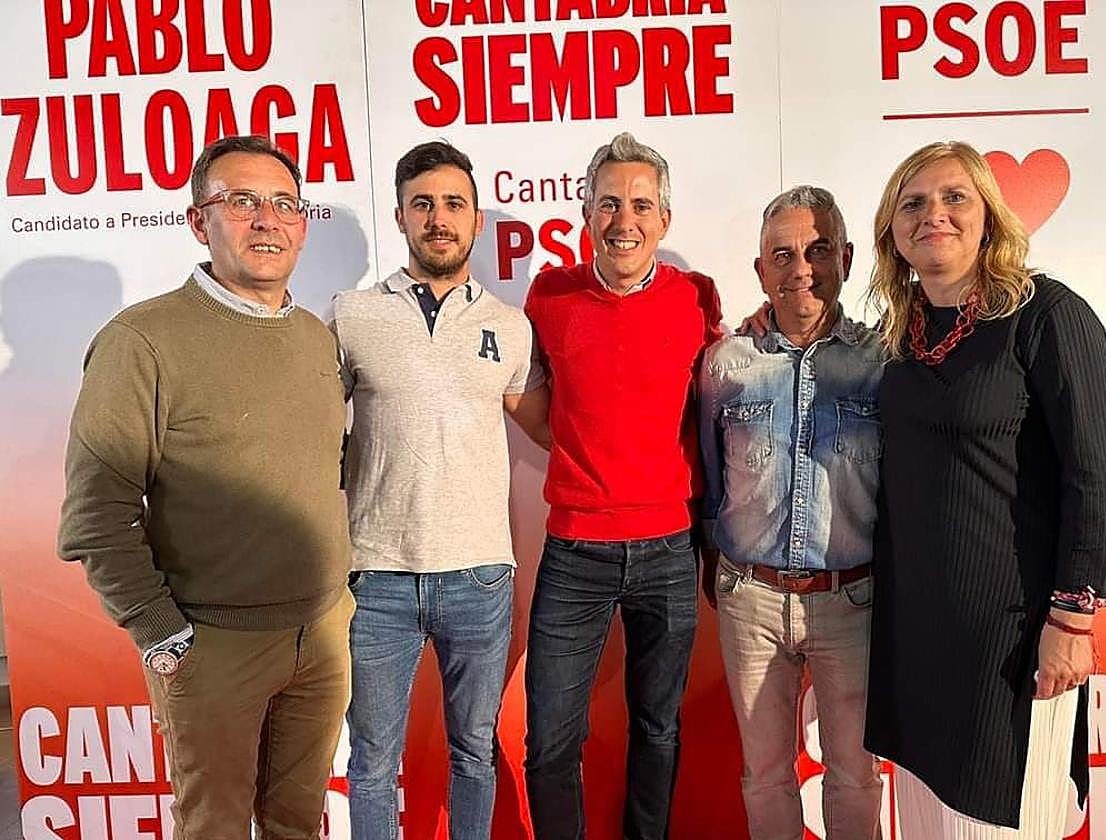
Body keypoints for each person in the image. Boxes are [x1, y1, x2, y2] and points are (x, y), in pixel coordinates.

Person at [57, 135, 354, 839]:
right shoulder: (142, 342)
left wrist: (339, 606)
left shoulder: (316, 338)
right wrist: (165, 637)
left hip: (321, 636)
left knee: (296, 824)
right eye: (241, 201)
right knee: (214, 827)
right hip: (212, 647)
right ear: (200, 221)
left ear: (303, 224)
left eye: (285, 203)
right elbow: (95, 518)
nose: (266, 219)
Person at [862, 140, 1106, 838]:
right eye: (912, 203)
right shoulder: (897, 337)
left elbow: (1094, 476)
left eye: (954, 198)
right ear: (892, 228)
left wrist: (1072, 621)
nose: (933, 215)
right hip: (914, 640)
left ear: (989, 215)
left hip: (1012, 642)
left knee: (1011, 824)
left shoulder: (1048, 316)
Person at [333, 140, 548, 840]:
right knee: (370, 762)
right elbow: (308, 431)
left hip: (479, 575)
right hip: (377, 577)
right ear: (400, 217)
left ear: (476, 220)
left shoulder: (509, 326)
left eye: (454, 204)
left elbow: (554, 428)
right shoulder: (352, 314)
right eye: (422, 204)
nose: (438, 218)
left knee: (476, 754)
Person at [522, 131, 723, 840]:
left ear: (664, 220)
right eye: (608, 204)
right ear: (586, 214)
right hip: (574, 550)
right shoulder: (549, 296)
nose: (624, 221)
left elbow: (714, 405)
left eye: (641, 204)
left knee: (658, 727)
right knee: (548, 740)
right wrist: (580, 452)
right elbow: (531, 402)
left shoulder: (697, 299)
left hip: (669, 549)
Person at [699, 186, 883, 840]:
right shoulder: (725, 364)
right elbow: (710, 481)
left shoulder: (882, 363)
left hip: (853, 602)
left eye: (818, 249)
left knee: (855, 775)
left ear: (847, 258)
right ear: (760, 271)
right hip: (749, 599)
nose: (801, 267)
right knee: (766, 775)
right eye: (783, 254)